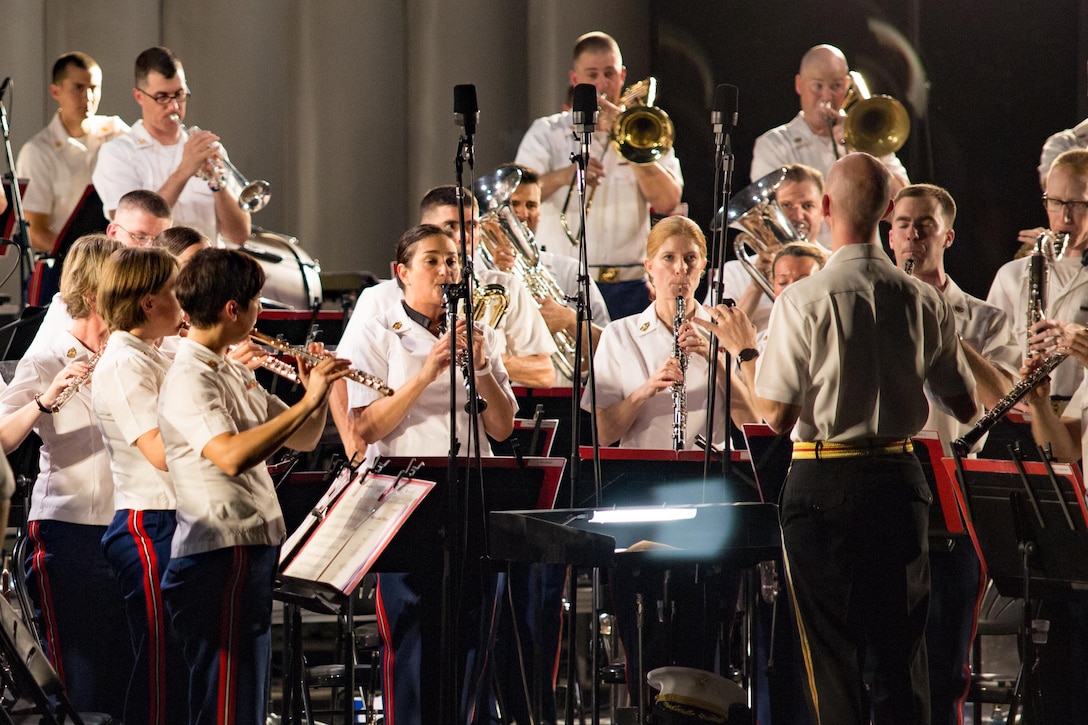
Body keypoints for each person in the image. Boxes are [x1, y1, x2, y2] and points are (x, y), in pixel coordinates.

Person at [701, 153, 977, 724]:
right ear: (886, 211)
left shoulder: (803, 299)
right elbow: (966, 403)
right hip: (902, 481)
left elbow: (775, 415)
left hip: (824, 483)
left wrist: (744, 351)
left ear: (826, 208)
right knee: (902, 662)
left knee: (831, 662)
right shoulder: (924, 298)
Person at [157, 248, 349, 725]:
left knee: (247, 699)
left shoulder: (228, 370)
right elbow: (232, 456)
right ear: (232, 309)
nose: (263, 312)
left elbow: (303, 437)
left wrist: (311, 397)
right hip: (218, 554)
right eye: (259, 302)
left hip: (248, 548)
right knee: (226, 702)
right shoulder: (189, 377)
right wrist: (310, 404)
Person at [339, 224, 516, 725]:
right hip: (403, 499)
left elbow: (501, 428)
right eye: (433, 262)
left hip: (471, 495)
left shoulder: (482, 333)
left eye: (453, 262)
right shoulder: (378, 331)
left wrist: (481, 368)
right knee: (413, 638)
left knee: (473, 635)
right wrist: (427, 372)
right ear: (402, 273)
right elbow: (367, 425)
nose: (446, 272)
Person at [887, 183, 1019, 725]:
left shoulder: (985, 319)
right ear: (889, 234)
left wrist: (945, 328)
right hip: (887, 486)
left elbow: (1002, 401)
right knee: (884, 662)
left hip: (951, 501)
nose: (913, 234)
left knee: (944, 666)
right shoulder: (870, 304)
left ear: (948, 235)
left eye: (925, 225)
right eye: (903, 224)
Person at [0, 234, 132, 718]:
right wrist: (41, 401)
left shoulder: (131, 351)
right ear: (96, 292)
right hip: (69, 532)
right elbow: (3, 438)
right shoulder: (47, 355)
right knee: (81, 680)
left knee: (127, 673)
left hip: (128, 530)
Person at [516, 31, 683, 320]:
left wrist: (629, 146)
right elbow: (517, 194)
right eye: (592, 74)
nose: (602, 84)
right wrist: (570, 173)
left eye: (609, 74)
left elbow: (668, 201)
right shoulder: (547, 132)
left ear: (622, 76)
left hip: (630, 285)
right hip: (565, 280)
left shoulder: (643, 130)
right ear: (574, 79)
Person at [92, 246, 188, 725]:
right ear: (149, 302)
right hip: (149, 524)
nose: (186, 300)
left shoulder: (155, 354)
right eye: (177, 291)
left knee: (181, 664)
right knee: (162, 667)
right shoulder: (124, 362)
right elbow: (160, 453)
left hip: (175, 520)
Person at [93, 46, 251, 244]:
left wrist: (218, 185)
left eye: (179, 94)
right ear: (139, 96)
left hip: (206, 270)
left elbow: (239, 236)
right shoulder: (117, 153)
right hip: (153, 271)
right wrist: (184, 171)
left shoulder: (204, 149)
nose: (174, 106)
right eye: (162, 97)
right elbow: (133, 225)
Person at [494, 162, 611, 381]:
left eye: (531, 205)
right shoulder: (476, 275)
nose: (522, 213)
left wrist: (569, 320)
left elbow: (610, 349)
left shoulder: (570, 271)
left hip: (561, 395)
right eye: (513, 204)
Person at [987, 149, 1088, 400]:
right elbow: (991, 358)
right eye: (1055, 202)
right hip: (1025, 415)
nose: (1064, 217)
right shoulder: (1011, 275)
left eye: (1077, 205)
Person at [25, 189, 173, 357]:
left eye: (158, 241)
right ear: (112, 233)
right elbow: (33, 368)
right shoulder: (72, 302)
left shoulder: (165, 300)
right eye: (139, 237)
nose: (149, 249)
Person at [750, 45, 909, 194]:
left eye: (836, 86)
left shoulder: (868, 138)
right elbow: (774, 211)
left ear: (847, 84)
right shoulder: (773, 145)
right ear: (799, 84)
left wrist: (863, 149)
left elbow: (902, 206)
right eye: (818, 86)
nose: (827, 96)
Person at [17, 52, 129, 254]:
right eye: (78, 87)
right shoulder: (38, 151)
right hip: (64, 263)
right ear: (55, 91)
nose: (88, 97)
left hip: (118, 258)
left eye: (94, 88)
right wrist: (82, 259)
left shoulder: (116, 132)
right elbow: (34, 230)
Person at [716, 164, 827, 333]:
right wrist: (756, 286)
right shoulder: (734, 272)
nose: (798, 216)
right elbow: (719, 339)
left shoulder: (834, 264)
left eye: (808, 205)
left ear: (822, 210)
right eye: (787, 205)